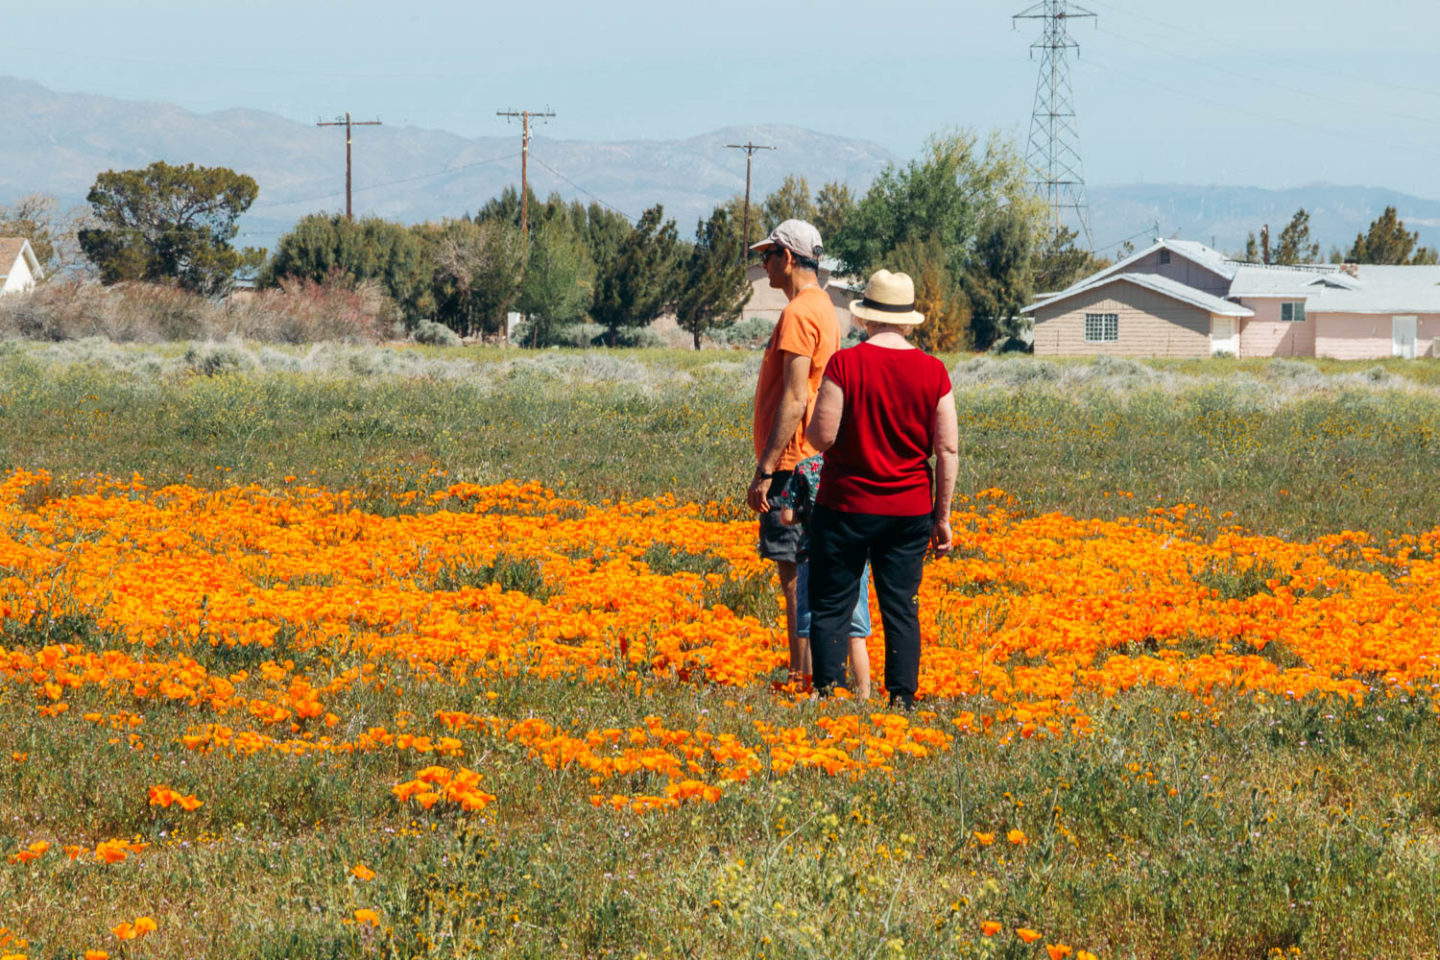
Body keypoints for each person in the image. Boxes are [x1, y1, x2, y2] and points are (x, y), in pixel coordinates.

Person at [804, 269, 959, 708]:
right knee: (901, 606)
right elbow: (946, 449)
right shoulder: (933, 371)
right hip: (908, 510)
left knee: (832, 602)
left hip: (845, 505)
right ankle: (902, 699)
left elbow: (822, 438)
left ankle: (828, 693)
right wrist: (941, 516)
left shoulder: (845, 364)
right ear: (909, 321)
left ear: (866, 318)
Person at [745, 219, 840, 687]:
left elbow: (796, 397)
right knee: (807, 570)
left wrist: (766, 468)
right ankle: (810, 671)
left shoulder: (800, 314)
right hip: (810, 458)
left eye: (767, 256)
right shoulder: (823, 307)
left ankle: (803, 676)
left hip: (791, 464)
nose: (763, 265)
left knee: (795, 577)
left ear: (787, 257)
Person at [773, 455, 874, 698]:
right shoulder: (860, 465)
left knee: (810, 627)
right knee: (856, 630)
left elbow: (786, 516)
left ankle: (812, 692)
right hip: (854, 554)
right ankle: (863, 696)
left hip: (813, 553)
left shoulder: (806, 467)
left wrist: (806, 515)